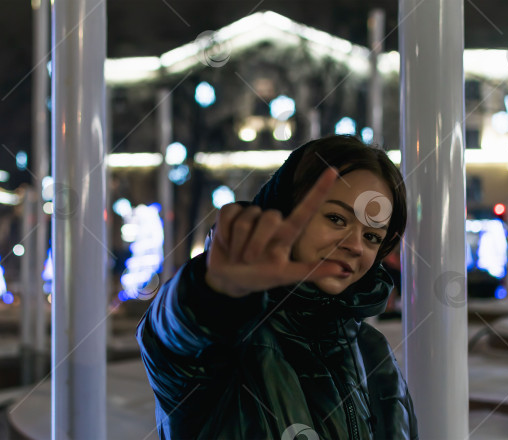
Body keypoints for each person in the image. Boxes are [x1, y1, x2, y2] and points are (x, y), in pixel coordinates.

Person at [136, 135, 418, 439]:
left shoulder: (372, 350)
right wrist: (215, 292)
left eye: (372, 237)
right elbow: (174, 332)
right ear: (285, 209)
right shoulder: (227, 339)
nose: (355, 245)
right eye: (336, 218)